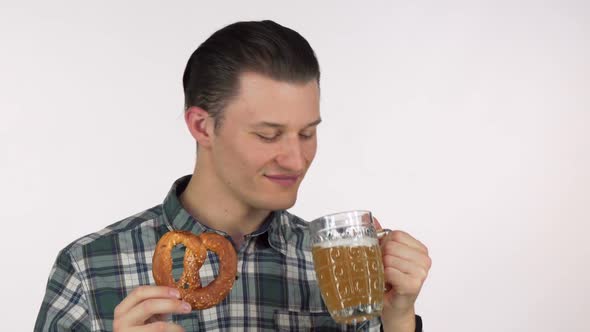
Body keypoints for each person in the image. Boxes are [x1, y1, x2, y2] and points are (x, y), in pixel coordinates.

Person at [35, 20, 431, 331]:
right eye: (268, 134)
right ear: (203, 127)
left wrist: (399, 319)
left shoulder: (340, 268)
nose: (296, 160)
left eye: (308, 133)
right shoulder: (89, 268)